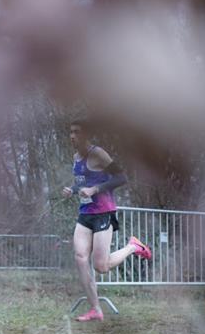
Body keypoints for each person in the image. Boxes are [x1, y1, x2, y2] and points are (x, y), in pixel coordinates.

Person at [63, 120, 152, 322]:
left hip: (103, 212)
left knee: (101, 267)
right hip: (85, 213)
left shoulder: (98, 154)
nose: (72, 136)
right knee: (79, 257)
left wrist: (95, 190)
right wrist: (73, 190)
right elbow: (83, 183)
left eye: (76, 132)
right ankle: (95, 309)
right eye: (70, 132)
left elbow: (121, 178)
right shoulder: (75, 158)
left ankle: (132, 247)